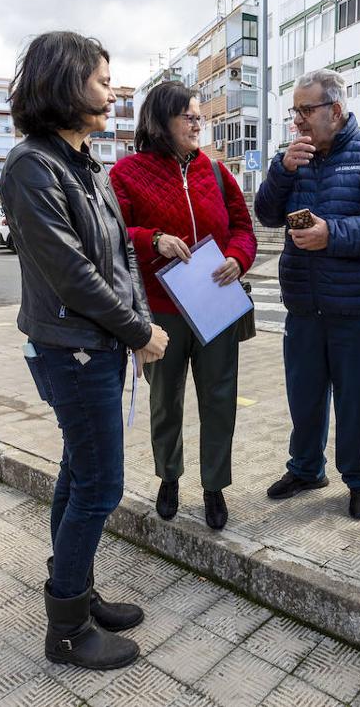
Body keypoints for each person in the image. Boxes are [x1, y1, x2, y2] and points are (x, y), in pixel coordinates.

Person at [1, 31, 169, 672]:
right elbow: (70, 272)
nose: (112, 90)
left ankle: (77, 587)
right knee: (100, 484)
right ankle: (66, 628)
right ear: (67, 84)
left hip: (99, 342)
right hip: (71, 349)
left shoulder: (84, 161)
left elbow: (123, 254)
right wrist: (136, 331)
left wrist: (142, 324)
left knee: (79, 470)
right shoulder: (32, 166)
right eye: (102, 79)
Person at [254, 69, 360, 520]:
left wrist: (332, 235)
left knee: (358, 402)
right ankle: (306, 469)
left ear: (335, 111)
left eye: (306, 110)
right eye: (295, 112)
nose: (298, 121)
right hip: (304, 305)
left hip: (358, 307)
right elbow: (266, 214)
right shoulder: (291, 159)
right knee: (303, 397)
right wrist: (283, 172)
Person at [109, 81, 258, 531]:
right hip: (162, 309)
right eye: (187, 116)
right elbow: (114, 233)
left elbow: (243, 228)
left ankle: (215, 486)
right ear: (160, 121)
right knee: (165, 401)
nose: (197, 123)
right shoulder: (127, 173)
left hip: (215, 305)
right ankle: (169, 476)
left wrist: (238, 258)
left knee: (219, 398)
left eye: (199, 116)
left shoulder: (215, 172)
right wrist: (153, 238)